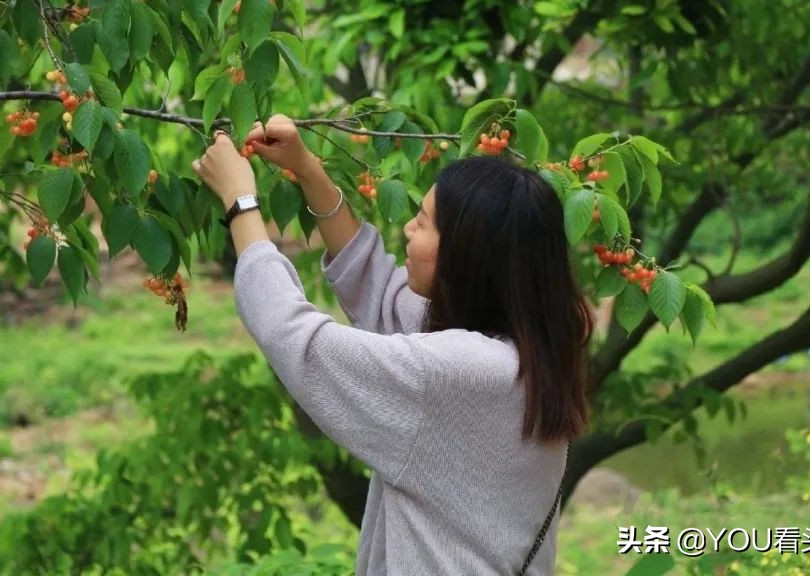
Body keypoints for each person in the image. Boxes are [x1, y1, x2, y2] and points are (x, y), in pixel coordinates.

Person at [192, 114, 593, 575]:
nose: (407, 230)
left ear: (465, 254)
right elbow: (381, 293)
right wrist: (307, 170)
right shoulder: (527, 352)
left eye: (423, 223)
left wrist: (241, 202)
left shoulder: (457, 374)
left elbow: (292, 334)